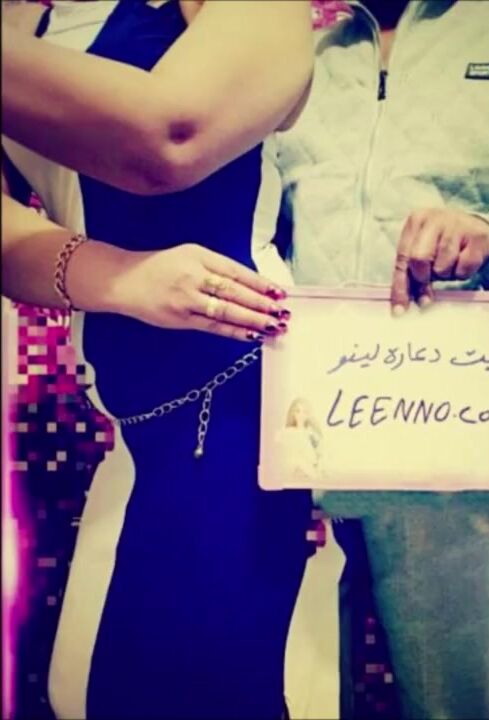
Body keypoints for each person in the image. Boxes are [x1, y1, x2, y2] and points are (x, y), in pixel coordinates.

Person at [254, 0, 489, 717]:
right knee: (290, 693)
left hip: (448, 449)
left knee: (452, 706)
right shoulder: (297, 49)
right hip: (293, 442)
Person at [1, 1, 314, 718]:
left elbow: (171, 134)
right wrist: (118, 277)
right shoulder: (21, 21)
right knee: (86, 692)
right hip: (129, 418)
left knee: (175, 691)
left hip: (236, 407)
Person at [277, 398, 324, 483]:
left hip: (310, 470)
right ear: (292, 413)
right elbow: (284, 454)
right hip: (294, 470)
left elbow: (319, 454)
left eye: (304, 412)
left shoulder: (312, 433)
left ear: (308, 414)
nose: (301, 415)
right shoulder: (285, 432)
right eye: (297, 411)